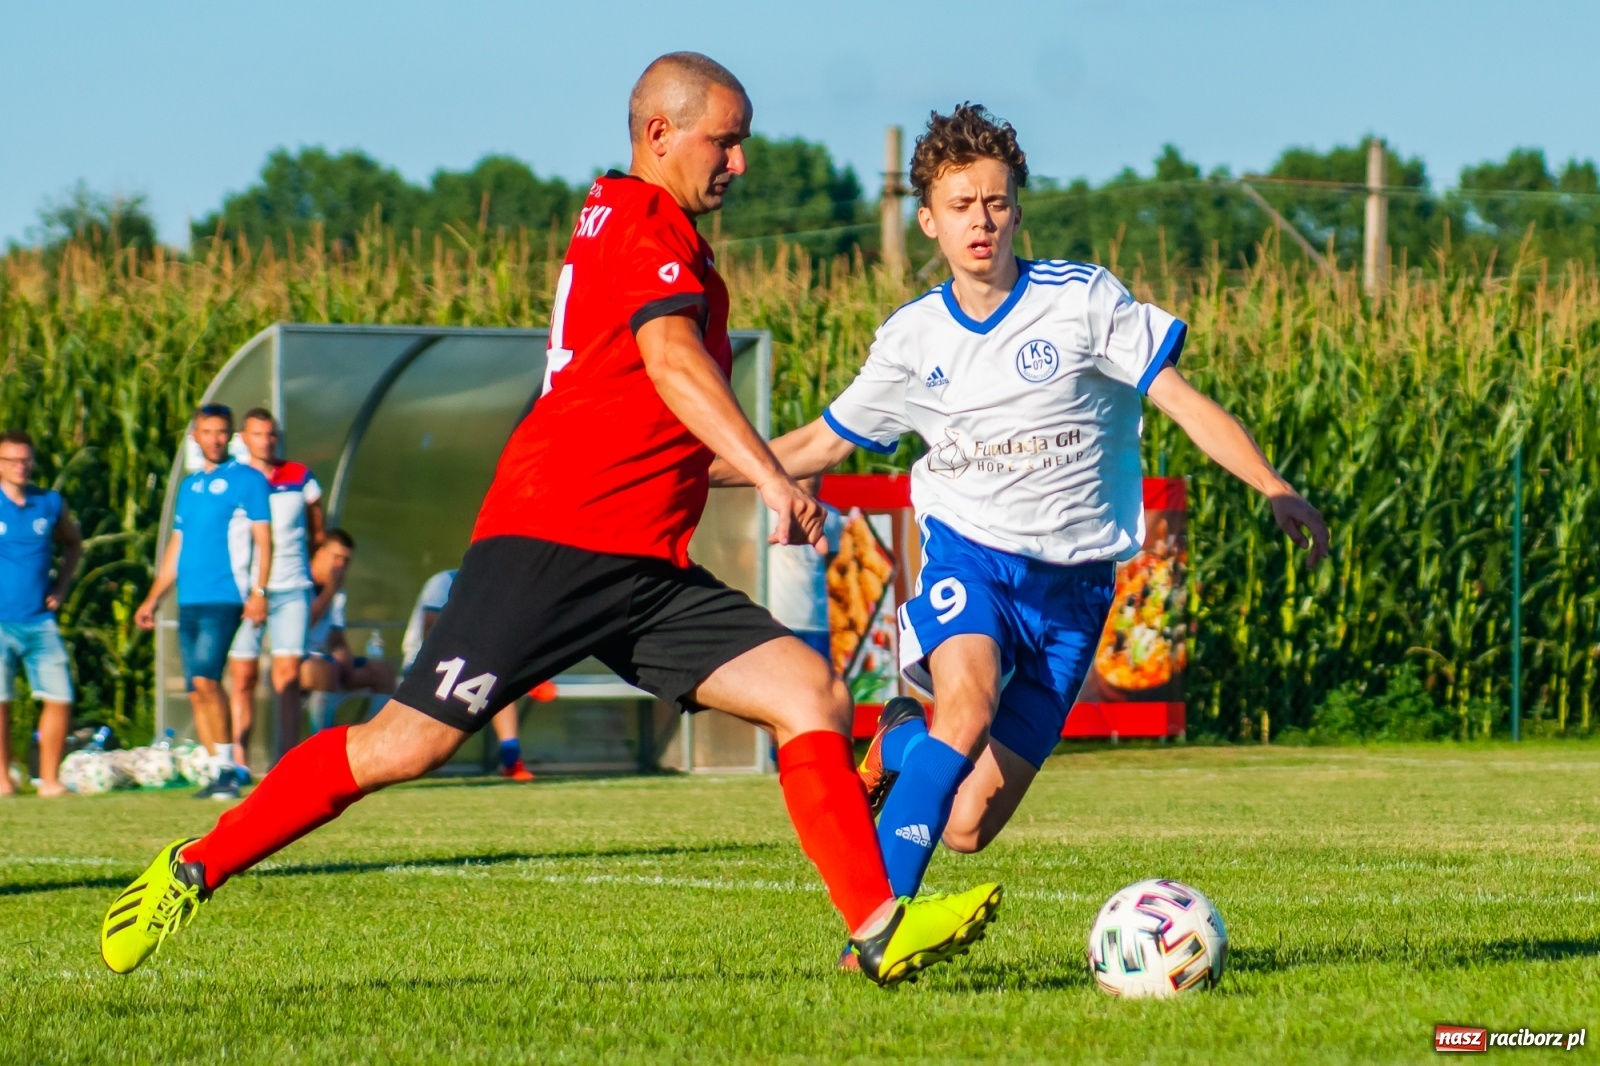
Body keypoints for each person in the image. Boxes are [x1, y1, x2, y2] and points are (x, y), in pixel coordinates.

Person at [100, 53, 1000, 988]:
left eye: (743, 144)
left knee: (807, 692)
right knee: (405, 745)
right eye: (724, 141)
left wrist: (781, 466)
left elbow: (663, 418)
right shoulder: (648, 217)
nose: (739, 163)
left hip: (641, 566)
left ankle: (876, 927)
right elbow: (670, 361)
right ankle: (192, 866)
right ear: (661, 133)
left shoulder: (629, 214)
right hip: (552, 543)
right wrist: (775, 481)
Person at [713, 104, 1330, 962]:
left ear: (1017, 208)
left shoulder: (1083, 303)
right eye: (961, 205)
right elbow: (816, 444)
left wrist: (1274, 485)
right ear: (928, 219)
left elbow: (1181, 401)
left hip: (1075, 595)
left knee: (967, 827)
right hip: (973, 559)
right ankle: (875, 936)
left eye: (996, 202)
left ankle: (895, 737)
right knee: (964, 705)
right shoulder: (911, 339)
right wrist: (685, 468)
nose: (981, 221)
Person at [135, 404, 272, 801]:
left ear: (229, 437)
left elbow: (264, 540)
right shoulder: (190, 486)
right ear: (195, 435)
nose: (214, 438)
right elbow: (176, 548)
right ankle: (216, 768)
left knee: (207, 680)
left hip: (225, 596)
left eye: (221, 432)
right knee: (197, 688)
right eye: (207, 431)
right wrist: (153, 599)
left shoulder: (248, 480)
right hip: (189, 598)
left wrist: (258, 591)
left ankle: (230, 768)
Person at [226, 408, 324, 775]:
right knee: (243, 677)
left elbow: (318, 528)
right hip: (247, 592)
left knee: (287, 676)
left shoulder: (299, 476)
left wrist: (312, 566)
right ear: (244, 438)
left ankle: (286, 766)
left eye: (271, 435)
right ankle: (237, 762)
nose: (265, 441)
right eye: (257, 434)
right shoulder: (234, 478)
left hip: (292, 587)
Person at [0, 430, 82, 798]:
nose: (20, 466)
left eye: (25, 459)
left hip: (39, 619)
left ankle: (49, 780)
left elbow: (73, 544)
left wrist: (61, 588)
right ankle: (2, 779)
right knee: (1, 700)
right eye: (12, 460)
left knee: (60, 696)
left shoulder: (49, 503)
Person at [401, 569, 533, 781]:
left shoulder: (493, 588)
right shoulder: (442, 582)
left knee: (497, 682)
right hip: (424, 664)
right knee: (487, 679)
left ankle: (511, 758)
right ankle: (417, 759)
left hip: (465, 666)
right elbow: (433, 635)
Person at [298, 531, 396, 737]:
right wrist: (329, 592)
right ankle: (321, 747)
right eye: (337, 558)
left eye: (346, 560)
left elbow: (336, 637)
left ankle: (373, 743)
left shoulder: (337, 590)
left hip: (325, 662)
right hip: (295, 661)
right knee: (327, 671)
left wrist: (345, 658)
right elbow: (302, 626)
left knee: (383, 672)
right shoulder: (300, 580)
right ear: (320, 554)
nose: (341, 566)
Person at [764, 476, 844, 662]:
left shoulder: (831, 515)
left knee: (820, 683)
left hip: (816, 622)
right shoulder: (768, 512)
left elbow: (829, 562)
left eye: (818, 473)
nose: (813, 479)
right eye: (808, 472)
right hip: (777, 620)